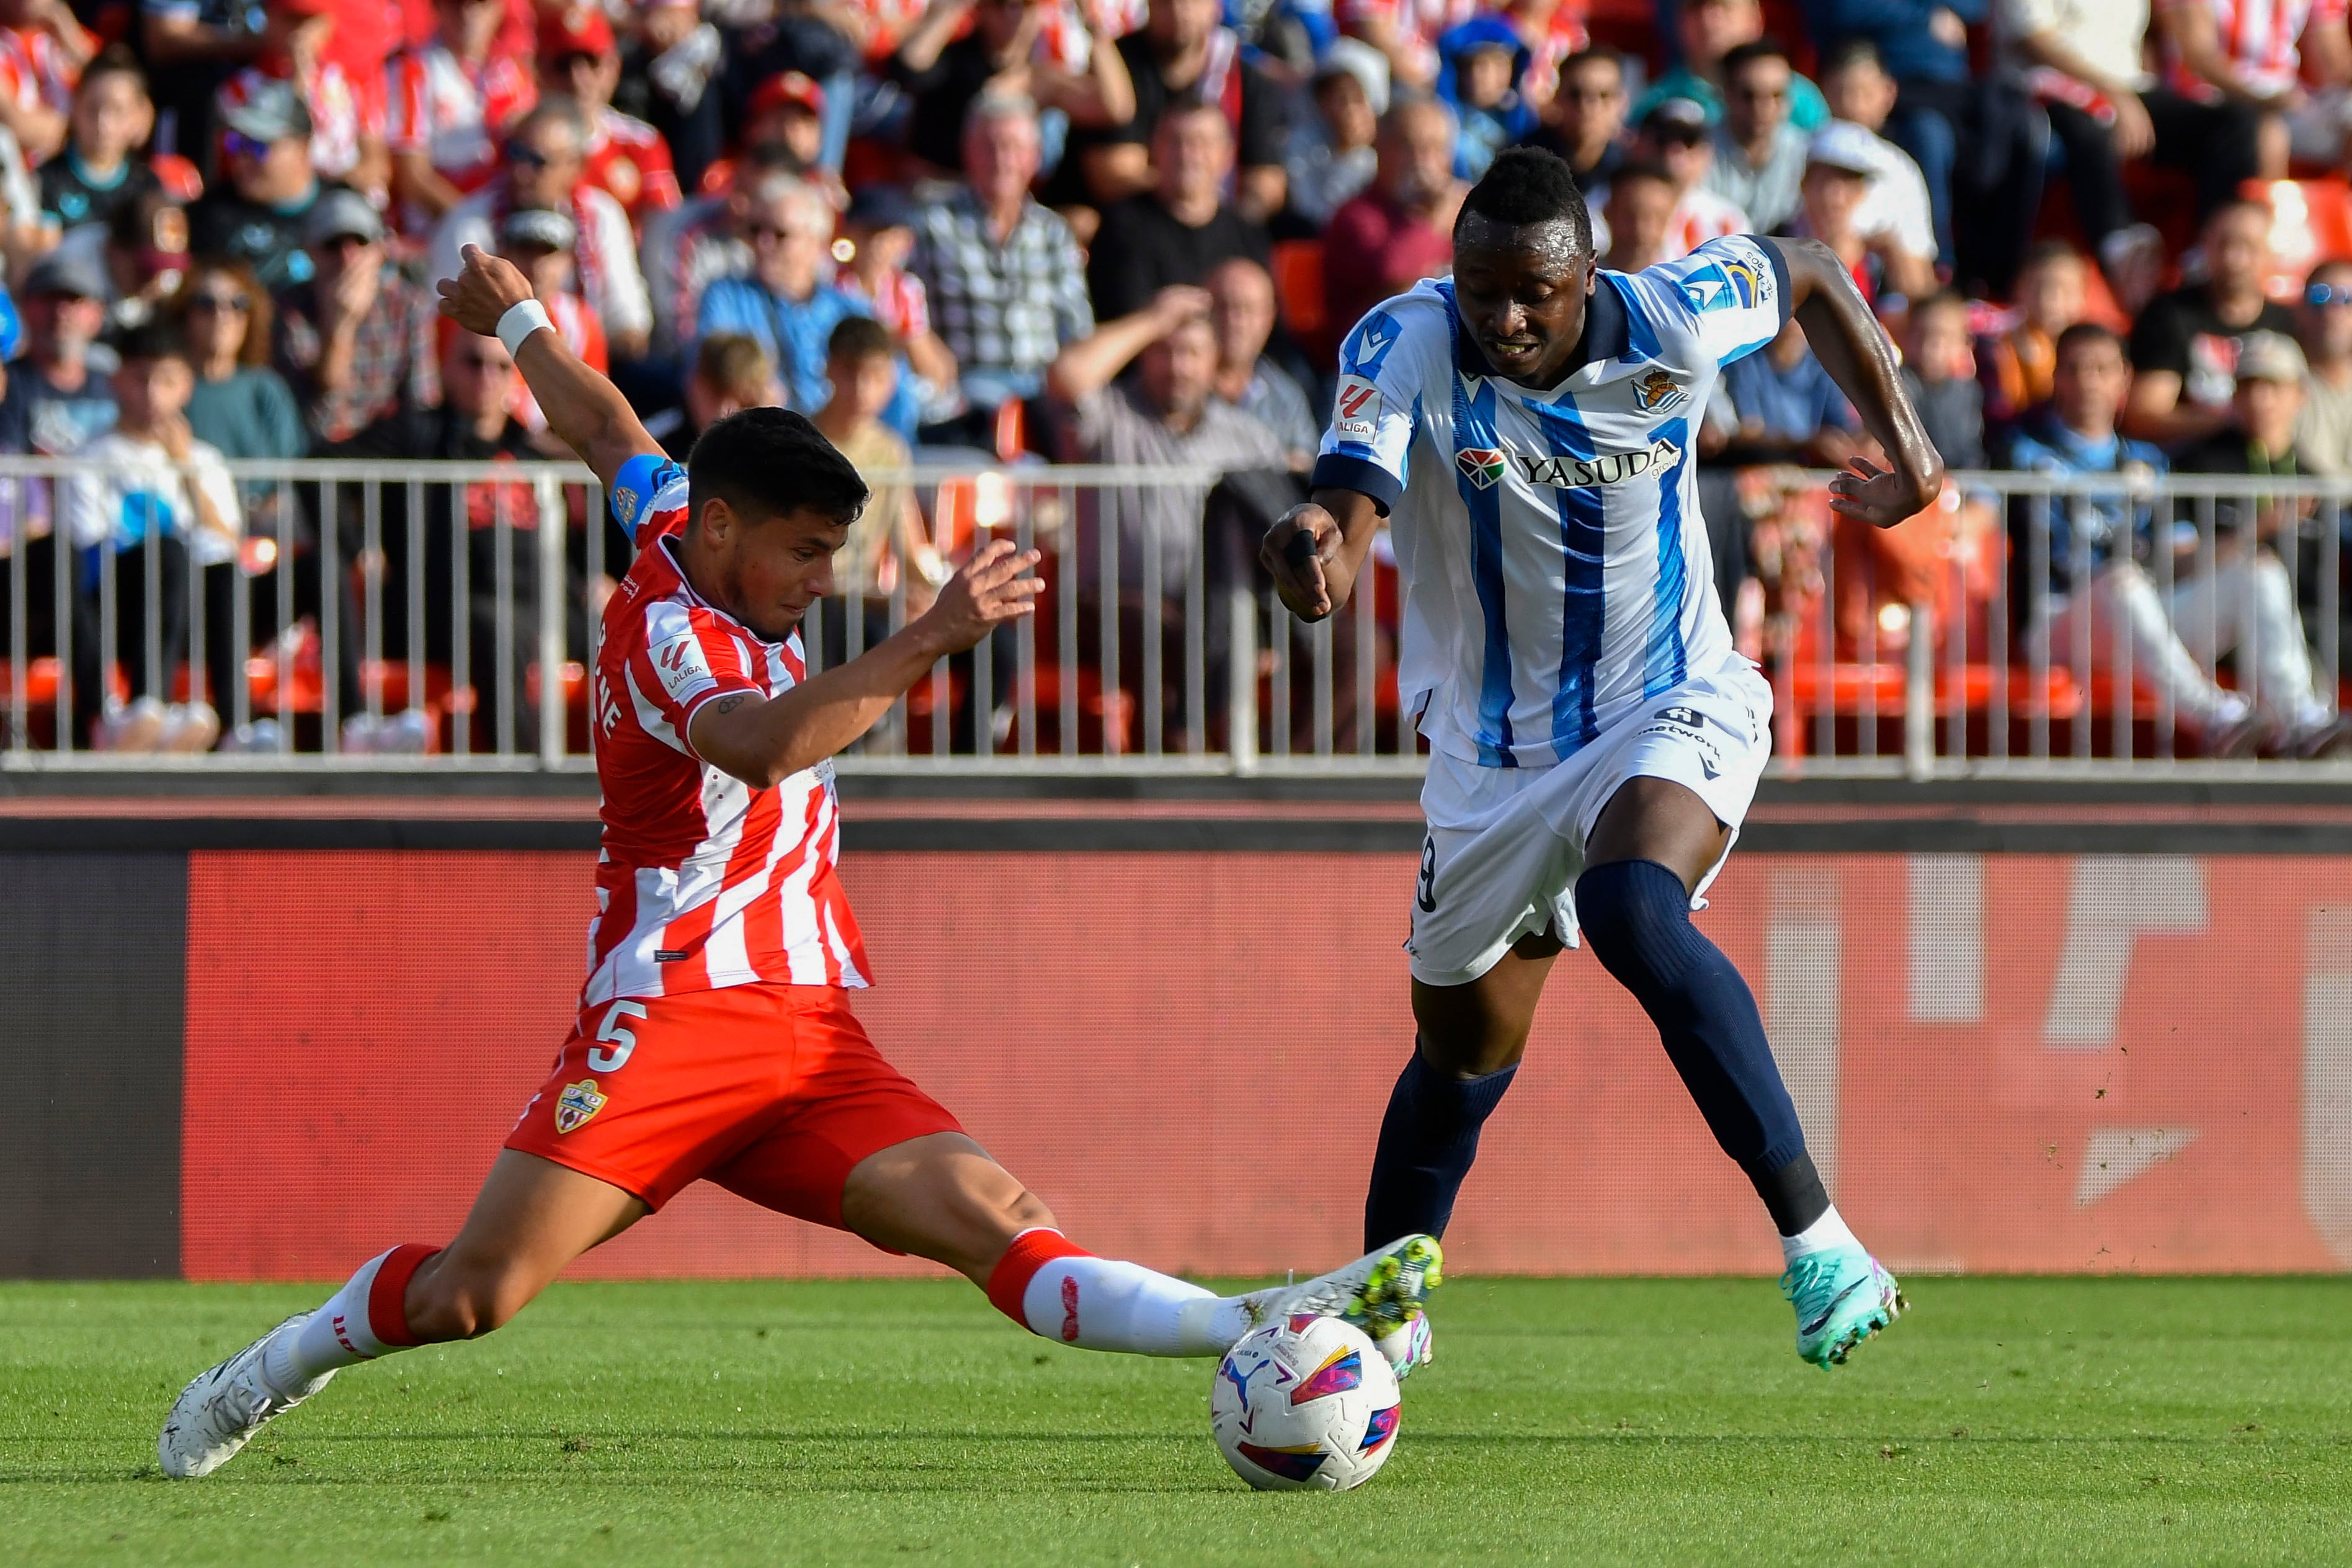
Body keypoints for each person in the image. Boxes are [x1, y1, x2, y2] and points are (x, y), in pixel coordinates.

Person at [155, 242, 1441, 1481]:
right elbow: (764, 745)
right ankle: (267, 1369)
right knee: (470, 1294)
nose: (826, 580)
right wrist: (928, 637)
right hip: (670, 1018)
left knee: (1005, 1224)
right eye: (807, 553)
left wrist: (520, 324)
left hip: (809, 1035)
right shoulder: (672, 634)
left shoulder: (675, 512)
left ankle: (1251, 1316)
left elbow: (603, 425)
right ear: (722, 533)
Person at [1260, 147, 1942, 1372]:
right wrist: (1318, 547)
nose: (1505, 318)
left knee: (1634, 904)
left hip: (1669, 698)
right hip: (1492, 756)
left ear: (1586, 277)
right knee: (1461, 1057)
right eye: (1482, 290)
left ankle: (1823, 1242)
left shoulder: (1678, 313)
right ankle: (1383, 1310)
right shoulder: (1403, 341)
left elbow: (1818, 273)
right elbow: (1349, 500)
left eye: (1533, 292)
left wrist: (1910, 441)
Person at [2003, 322, 2263, 755]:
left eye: (2102, 369)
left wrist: (2255, 536)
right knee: (2122, 580)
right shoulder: (2018, 452)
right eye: (2075, 368)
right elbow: (1978, 520)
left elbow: (2181, 556)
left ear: (2124, 378)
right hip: (2057, 621)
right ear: (2057, 379)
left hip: (2140, 618)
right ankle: (2212, 716)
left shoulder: (2150, 461)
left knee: (2260, 573)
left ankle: (2302, 718)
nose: (2089, 381)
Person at [2000, 0, 2260, 309]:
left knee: (2236, 123)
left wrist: (2123, 94)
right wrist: (2113, 94)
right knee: (2090, 133)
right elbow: (2033, 39)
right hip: (2046, 86)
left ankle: (2208, 251)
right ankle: (2122, 252)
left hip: (2127, 87)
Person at [60, 320, 241, 754]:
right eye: (142, 379)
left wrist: (185, 471)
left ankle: (238, 728)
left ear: (187, 387)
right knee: (167, 551)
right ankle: (147, 705)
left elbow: (227, 544)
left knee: (217, 573)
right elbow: (88, 543)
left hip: (189, 601)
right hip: (118, 599)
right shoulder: (89, 456)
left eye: (168, 381)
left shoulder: (204, 460)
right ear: (118, 381)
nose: (153, 395)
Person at [2167, 329, 2347, 754]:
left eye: (2273, 386)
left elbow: (2323, 585)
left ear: (2299, 394)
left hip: (2297, 626)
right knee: (2262, 570)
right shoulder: (2199, 464)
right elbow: (2180, 565)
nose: (2261, 399)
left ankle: (2305, 731)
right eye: (2249, 386)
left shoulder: (2313, 479)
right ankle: (2302, 720)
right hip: (2216, 621)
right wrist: (2260, 529)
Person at [909, 94, 1094, 437]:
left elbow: (1076, 327)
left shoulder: (1054, 232)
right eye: (989, 147)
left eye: (1013, 148)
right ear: (968, 152)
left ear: (1034, 158)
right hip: (967, 388)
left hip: (1043, 391)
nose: (1002, 160)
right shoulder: (933, 226)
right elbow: (912, 312)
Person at [430, 99, 652, 363]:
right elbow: (451, 326)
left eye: (538, 161)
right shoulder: (470, 221)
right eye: (515, 154)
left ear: (575, 166)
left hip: (590, 359)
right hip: (496, 366)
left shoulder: (602, 214)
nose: (522, 171)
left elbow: (627, 319)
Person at [695, 177, 918, 435]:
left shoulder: (852, 310)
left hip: (843, 452)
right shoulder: (725, 298)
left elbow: (897, 398)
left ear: (817, 243)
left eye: (780, 234)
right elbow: (708, 381)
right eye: (755, 231)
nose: (764, 244)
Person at [1067, 0, 1290, 222]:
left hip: (1217, 229)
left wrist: (1232, 226)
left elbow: (1268, 182)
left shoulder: (1244, 79)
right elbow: (1114, 176)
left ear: (1217, 6)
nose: (1180, 10)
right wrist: (1193, 199)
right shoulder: (1117, 69)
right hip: (1131, 226)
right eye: (1167, 3)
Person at [811, 315, 944, 662]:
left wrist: (933, 599)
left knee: (994, 643)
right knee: (864, 633)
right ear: (829, 370)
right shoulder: (799, 443)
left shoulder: (891, 451)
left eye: (876, 376)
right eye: (851, 374)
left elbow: (910, 548)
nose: (863, 389)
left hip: (865, 604)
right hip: (813, 604)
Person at [887, 0, 1134, 177]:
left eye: (1026, 5)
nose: (1013, 14)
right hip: (936, 193)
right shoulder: (952, 59)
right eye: (1001, 4)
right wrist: (953, 8)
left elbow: (1116, 108)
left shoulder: (1039, 78)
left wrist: (1093, 26)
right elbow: (908, 68)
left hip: (1002, 205)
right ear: (981, 9)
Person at [273, 186, 440, 445]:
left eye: (360, 243)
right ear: (310, 252)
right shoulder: (288, 309)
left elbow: (422, 403)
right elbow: (317, 417)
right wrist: (341, 325)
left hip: (389, 454)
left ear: (379, 251)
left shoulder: (408, 306)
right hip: (317, 455)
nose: (347, 258)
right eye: (332, 245)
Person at [2126, 199, 2297, 446]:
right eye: (2223, 244)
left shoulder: (2286, 322)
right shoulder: (2170, 315)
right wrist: (2233, 421)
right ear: (2205, 245)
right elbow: (2146, 414)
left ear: (2269, 252)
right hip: (2193, 466)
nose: (2234, 259)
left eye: (2248, 246)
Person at [1085, 100, 1270, 325]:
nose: (1188, 155)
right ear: (1153, 149)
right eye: (1175, 142)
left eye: (1201, 143)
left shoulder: (1247, 234)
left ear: (1227, 156)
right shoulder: (1122, 227)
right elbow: (1122, 317)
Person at [1323, 96, 1464, 342]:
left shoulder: (1462, 211)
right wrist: (1434, 219)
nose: (1423, 163)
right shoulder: (1357, 217)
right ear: (1381, 148)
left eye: (1435, 149)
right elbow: (1394, 274)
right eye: (1409, 148)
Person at [385, 0, 537, 228]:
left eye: (482, 4)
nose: (469, 13)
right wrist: (473, 224)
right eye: (458, 3)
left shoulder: (513, 73)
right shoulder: (412, 70)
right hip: (434, 231)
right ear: (438, 7)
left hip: (501, 222)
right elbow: (413, 177)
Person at [537, 2, 679, 228]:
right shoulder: (520, 143)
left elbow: (665, 230)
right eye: (563, 65)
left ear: (614, 67)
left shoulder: (642, 143)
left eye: (592, 63)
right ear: (540, 71)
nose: (578, 79)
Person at [1814, 40, 1940, 285]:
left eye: (1866, 93)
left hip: (1883, 300)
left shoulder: (1900, 169)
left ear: (1889, 92)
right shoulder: (1803, 151)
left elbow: (1920, 280)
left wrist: (1887, 247)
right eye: (1841, 93)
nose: (1853, 106)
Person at [190, 76, 331, 292]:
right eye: (237, 143)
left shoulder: (342, 209)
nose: (242, 159)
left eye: (258, 146)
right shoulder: (213, 218)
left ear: (302, 149)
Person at [1633, 0, 1832, 132]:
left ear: (1755, 19)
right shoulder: (1656, 103)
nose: (1709, 20)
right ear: (1679, 23)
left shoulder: (1799, 97)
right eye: (1696, 7)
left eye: (1725, 7)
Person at [1206, 256, 1317, 468]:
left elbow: (1305, 470)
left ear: (1269, 318)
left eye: (1248, 309)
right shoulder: (1175, 383)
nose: (1235, 321)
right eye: (1223, 307)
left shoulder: (1285, 395)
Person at [1979, 239, 2089, 430]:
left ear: (2083, 295)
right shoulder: (1996, 344)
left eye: (2065, 290)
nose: (2050, 300)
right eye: (2038, 288)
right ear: (2018, 289)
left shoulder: (2090, 348)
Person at [1703, 39, 1810, 234]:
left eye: (1776, 95)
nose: (1763, 108)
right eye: (1749, 96)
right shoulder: (1697, 150)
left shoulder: (1807, 155)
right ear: (1726, 94)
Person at [1283, 37, 1386, 231]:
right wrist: (1346, 151)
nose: (1347, 109)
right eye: (1336, 98)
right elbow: (1313, 211)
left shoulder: (1389, 149)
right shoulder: (1301, 144)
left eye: (1356, 98)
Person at [1636, 97, 1749, 262]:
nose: (1676, 150)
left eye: (1689, 140)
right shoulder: (1610, 207)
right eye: (1663, 138)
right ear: (1640, 145)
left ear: (1708, 152)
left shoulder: (1727, 221)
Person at [646, 330, 783, 458]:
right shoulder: (651, 445)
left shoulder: (785, 449)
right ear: (695, 385)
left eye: (745, 404)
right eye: (718, 395)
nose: (727, 412)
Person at [1522, 45, 1629, 209]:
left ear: (1622, 103)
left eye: (1604, 95)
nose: (1589, 107)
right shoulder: (1522, 164)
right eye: (1576, 95)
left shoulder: (1630, 172)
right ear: (1556, 98)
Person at [1435, 16, 1534, 181]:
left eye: (1499, 65)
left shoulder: (1523, 122)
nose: (1484, 77)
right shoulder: (1443, 124)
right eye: (1474, 65)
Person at [1900, 290, 1986, 468]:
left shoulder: (1969, 392)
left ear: (1965, 344)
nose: (1930, 347)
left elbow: (1969, 451)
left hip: (1960, 482)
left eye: (1944, 337)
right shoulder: (1895, 384)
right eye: (1921, 334)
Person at [2295, 259, 2352, 476]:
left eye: (2347, 298)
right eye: (2320, 296)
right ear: (2301, 310)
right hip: (2304, 510)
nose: (2333, 311)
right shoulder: (2280, 384)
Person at [1599, 159, 1679, 274]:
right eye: (1630, 216)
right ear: (1608, 213)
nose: (1641, 231)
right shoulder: (1579, 283)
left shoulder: (1681, 285)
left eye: (1658, 218)